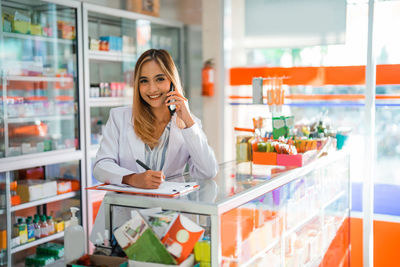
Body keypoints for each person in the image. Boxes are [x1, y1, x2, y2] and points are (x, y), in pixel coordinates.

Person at [93, 49, 218, 188]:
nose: (152, 89)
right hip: (125, 206)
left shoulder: (189, 124)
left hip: (168, 207)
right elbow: (101, 166)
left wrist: (188, 119)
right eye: (144, 81)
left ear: (172, 80)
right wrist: (132, 178)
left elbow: (208, 171)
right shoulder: (119, 117)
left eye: (160, 79)